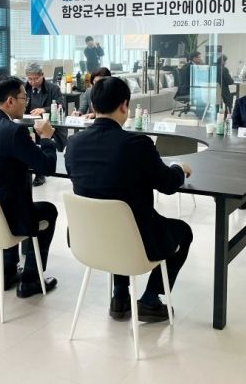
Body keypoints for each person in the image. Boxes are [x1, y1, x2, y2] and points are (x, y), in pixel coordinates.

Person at [65, 77, 194, 323]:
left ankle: (120, 296)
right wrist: (179, 169)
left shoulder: (74, 143)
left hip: (87, 238)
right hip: (135, 241)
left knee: (114, 219)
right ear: (125, 105)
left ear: (92, 106)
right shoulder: (137, 145)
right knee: (183, 232)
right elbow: (168, 185)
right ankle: (150, 300)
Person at [0, 75, 59, 298]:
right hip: (3, 219)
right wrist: (46, 138)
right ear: (10, 101)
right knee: (47, 211)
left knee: (7, 197)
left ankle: (7, 271)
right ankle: (31, 279)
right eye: (24, 98)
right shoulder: (14, 131)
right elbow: (47, 167)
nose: (27, 103)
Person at [24, 61, 66, 186]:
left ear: (42, 75)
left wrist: (44, 110)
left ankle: (40, 173)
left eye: (35, 78)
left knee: (40, 141)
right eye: (29, 79)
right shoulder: (24, 88)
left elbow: (62, 105)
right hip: (28, 125)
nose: (32, 82)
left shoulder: (53, 88)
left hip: (47, 126)